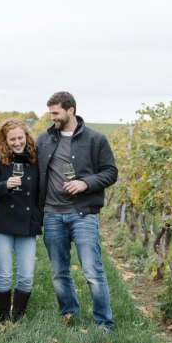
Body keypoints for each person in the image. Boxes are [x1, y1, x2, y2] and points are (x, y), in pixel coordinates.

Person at [37, 91, 118, 330]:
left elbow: (111, 172)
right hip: (52, 214)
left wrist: (86, 183)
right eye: (50, 112)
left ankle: (104, 322)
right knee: (59, 271)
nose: (52, 117)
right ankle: (69, 314)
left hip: (83, 214)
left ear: (70, 110)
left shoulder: (96, 139)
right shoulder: (44, 139)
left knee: (92, 271)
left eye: (56, 112)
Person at [0, 118, 42, 323]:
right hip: (2, 223)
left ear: (26, 136)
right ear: (5, 141)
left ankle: (18, 317)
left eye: (20, 138)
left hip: (27, 224)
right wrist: (5, 185)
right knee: (5, 273)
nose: (17, 143)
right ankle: (4, 318)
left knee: (26, 276)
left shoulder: (35, 160)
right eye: (12, 139)